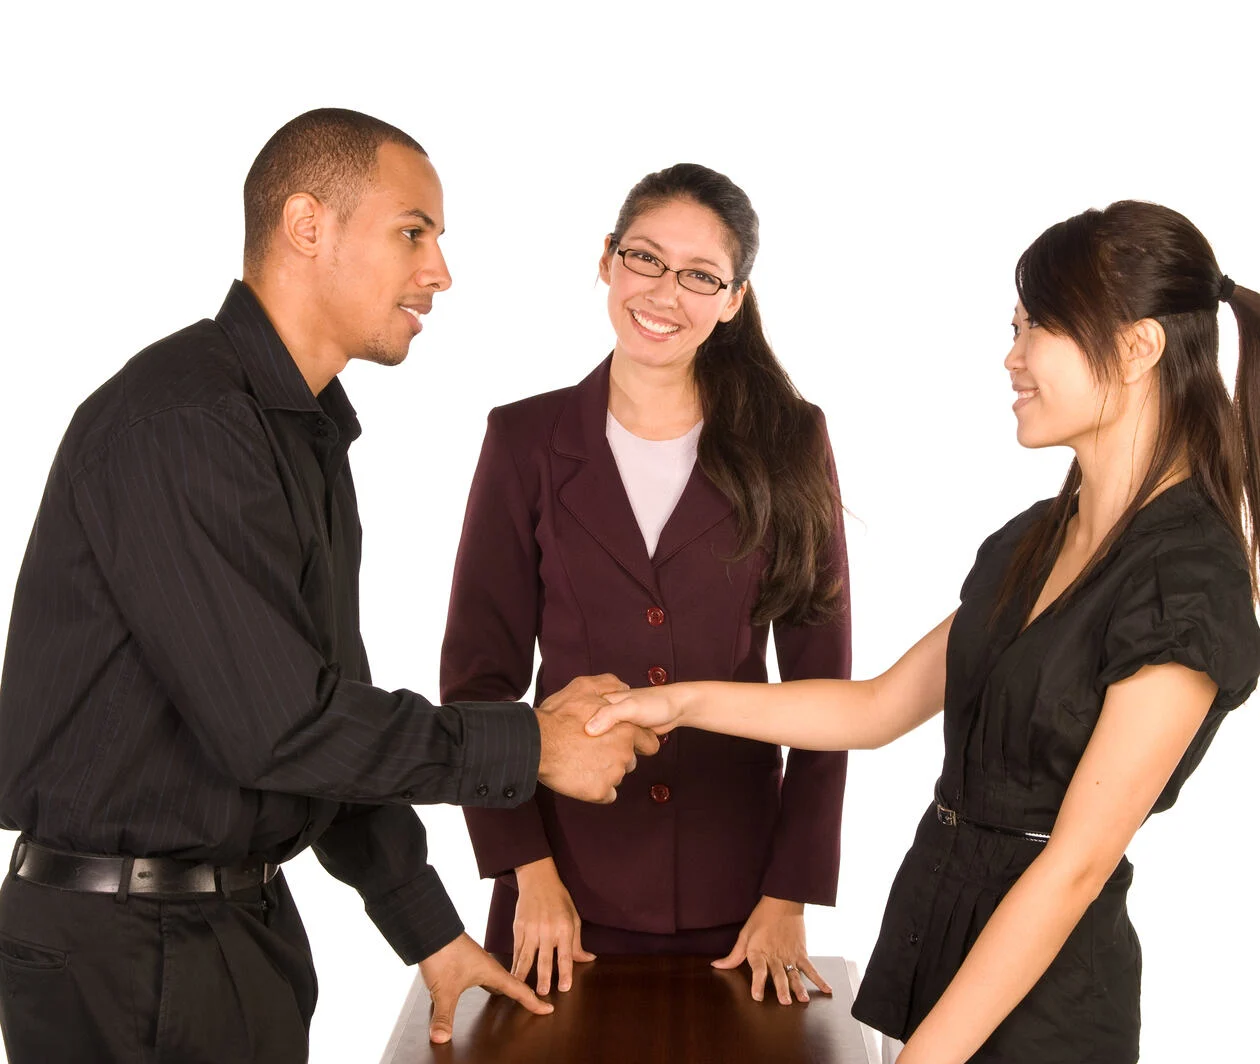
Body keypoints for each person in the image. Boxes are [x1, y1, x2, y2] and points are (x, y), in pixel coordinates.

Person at [0, 108, 657, 1063]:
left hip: (232, 933)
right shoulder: (184, 426)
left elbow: (328, 721)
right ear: (308, 226)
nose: (439, 270)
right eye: (412, 231)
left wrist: (426, 929)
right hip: (128, 955)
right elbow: (279, 727)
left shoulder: (300, 431)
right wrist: (536, 745)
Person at [586, 201, 1260, 1062]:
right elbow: (874, 710)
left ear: (1138, 347)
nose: (1011, 359)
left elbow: (1075, 869)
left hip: (1044, 1011)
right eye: (1012, 328)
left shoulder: (1185, 580)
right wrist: (675, 702)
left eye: (1039, 330)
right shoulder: (1036, 537)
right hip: (947, 963)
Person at [440, 163, 850, 1006]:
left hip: (742, 902)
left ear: (734, 299)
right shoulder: (524, 438)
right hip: (559, 898)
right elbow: (478, 680)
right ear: (607, 260)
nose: (666, 293)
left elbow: (824, 693)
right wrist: (527, 875)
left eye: (701, 276)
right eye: (647, 259)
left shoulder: (789, 439)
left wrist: (789, 893)